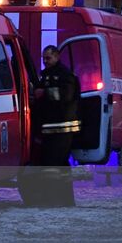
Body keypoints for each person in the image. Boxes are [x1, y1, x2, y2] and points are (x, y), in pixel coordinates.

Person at [31, 45, 80, 207]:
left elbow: (66, 96)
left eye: (48, 58)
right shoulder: (45, 76)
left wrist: (44, 93)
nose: (45, 62)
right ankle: (65, 199)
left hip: (63, 126)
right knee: (60, 164)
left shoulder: (66, 75)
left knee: (52, 164)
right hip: (49, 127)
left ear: (57, 57)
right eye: (44, 58)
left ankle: (52, 199)